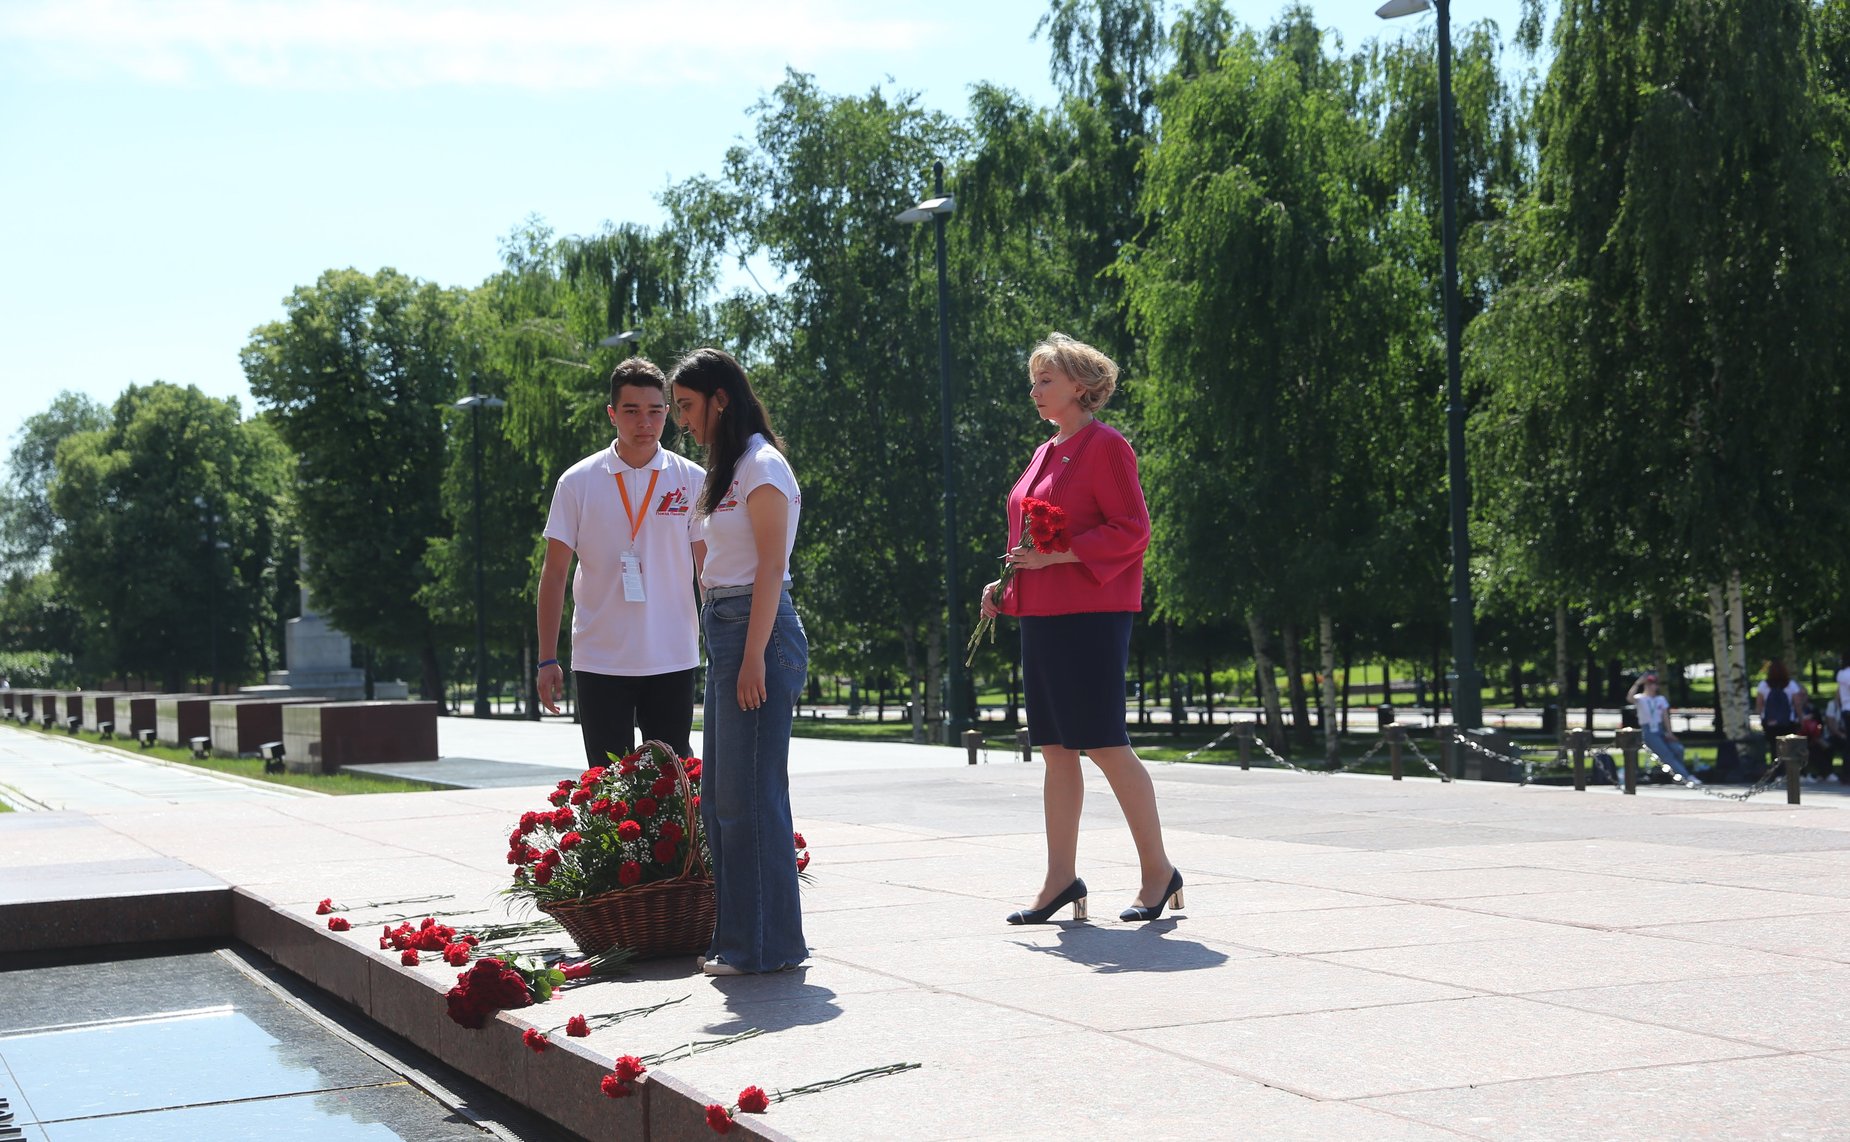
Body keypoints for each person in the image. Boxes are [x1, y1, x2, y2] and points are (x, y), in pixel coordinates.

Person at [980, 332, 1180, 926]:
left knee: (1104, 743)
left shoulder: (1107, 446)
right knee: (1055, 751)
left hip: (1092, 615)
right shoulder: (1045, 452)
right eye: (1034, 380)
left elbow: (1133, 529)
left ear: (1080, 387)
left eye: (1046, 379)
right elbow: (1030, 540)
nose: (1035, 390)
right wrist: (1006, 588)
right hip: (1041, 616)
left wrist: (1058, 557)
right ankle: (1060, 880)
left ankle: (1158, 873)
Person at [670, 347, 808, 977]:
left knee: (750, 799)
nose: (681, 421)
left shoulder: (763, 467)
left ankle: (761, 947)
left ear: (720, 399)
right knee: (724, 800)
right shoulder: (724, 471)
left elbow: (772, 567)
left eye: (687, 406)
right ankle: (749, 941)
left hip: (758, 631)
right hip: (726, 630)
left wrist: (753, 655)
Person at [537, 357, 706, 764]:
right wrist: (547, 658)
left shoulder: (692, 479)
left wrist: (725, 648)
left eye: (655, 411)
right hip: (601, 659)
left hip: (672, 656)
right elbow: (554, 573)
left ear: (668, 413)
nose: (644, 423)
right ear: (613, 414)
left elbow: (708, 573)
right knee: (608, 786)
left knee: (672, 786)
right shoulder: (577, 481)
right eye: (631, 411)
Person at [1624, 672, 1699, 786]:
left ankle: (1676, 776)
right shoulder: (1640, 698)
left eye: (1653, 684)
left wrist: (1669, 733)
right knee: (1666, 754)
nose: (1651, 686)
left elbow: (1665, 717)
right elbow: (1629, 698)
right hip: (1648, 731)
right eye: (1649, 684)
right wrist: (1637, 683)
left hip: (1659, 730)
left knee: (1678, 749)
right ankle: (1686, 777)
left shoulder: (1660, 699)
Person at [1755, 659, 1808, 763]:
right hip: (1788, 722)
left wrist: (1761, 718)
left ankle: (1775, 771)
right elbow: (1797, 704)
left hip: (1770, 722)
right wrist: (1801, 719)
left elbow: (1759, 704)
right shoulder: (1791, 684)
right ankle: (1788, 772)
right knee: (1789, 748)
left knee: (1773, 748)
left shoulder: (1763, 685)